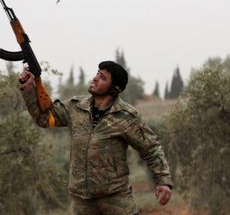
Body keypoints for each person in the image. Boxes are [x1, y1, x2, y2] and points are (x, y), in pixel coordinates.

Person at [19, 60, 173, 215]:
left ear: (114, 89)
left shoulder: (126, 116)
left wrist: (163, 181)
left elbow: (151, 148)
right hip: (82, 201)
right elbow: (44, 118)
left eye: (102, 77)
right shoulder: (75, 107)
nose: (95, 78)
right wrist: (28, 88)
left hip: (116, 199)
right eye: (97, 74)